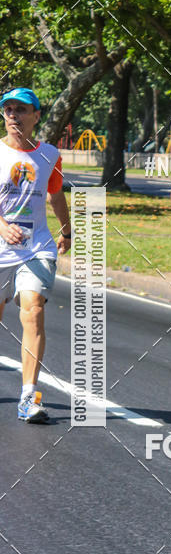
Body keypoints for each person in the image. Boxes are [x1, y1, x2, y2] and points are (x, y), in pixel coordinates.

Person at [0, 87, 71, 423]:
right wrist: (1, 227)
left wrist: (67, 230)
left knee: (33, 310)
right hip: (0, 246)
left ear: (36, 115)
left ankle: (28, 396)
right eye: (8, 109)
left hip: (36, 245)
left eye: (21, 110)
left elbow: (55, 194)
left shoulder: (50, 155)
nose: (13, 115)